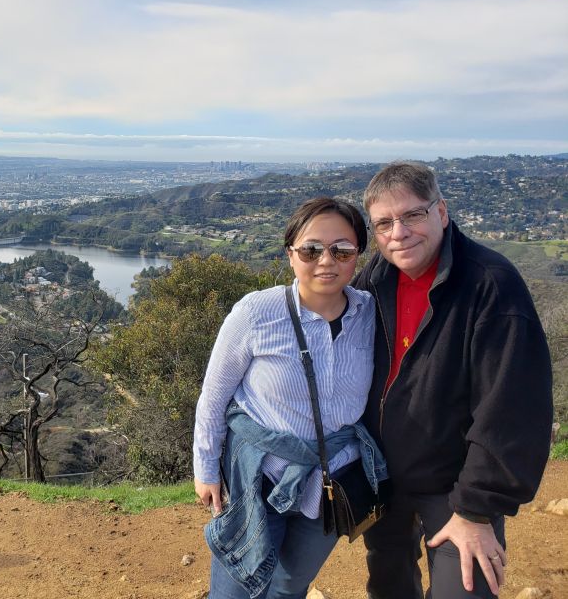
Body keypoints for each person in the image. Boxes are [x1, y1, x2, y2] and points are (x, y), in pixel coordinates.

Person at [353, 162, 553, 599]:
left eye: (412, 216)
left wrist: (478, 512)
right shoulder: (376, 279)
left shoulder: (491, 285)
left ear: (441, 212)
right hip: (386, 482)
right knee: (388, 589)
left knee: (462, 591)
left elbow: (514, 409)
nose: (398, 233)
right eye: (383, 223)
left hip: (457, 490)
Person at [194, 197, 387, 599]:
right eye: (311, 249)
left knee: (289, 586)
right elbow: (214, 395)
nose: (326, 261)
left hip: (331, 478)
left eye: (342, 250)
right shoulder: (257, 312)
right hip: (261, 475)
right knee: (237, 585)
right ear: (291, 253)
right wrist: (206, 468)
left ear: (358, 256)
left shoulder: (371, 313)